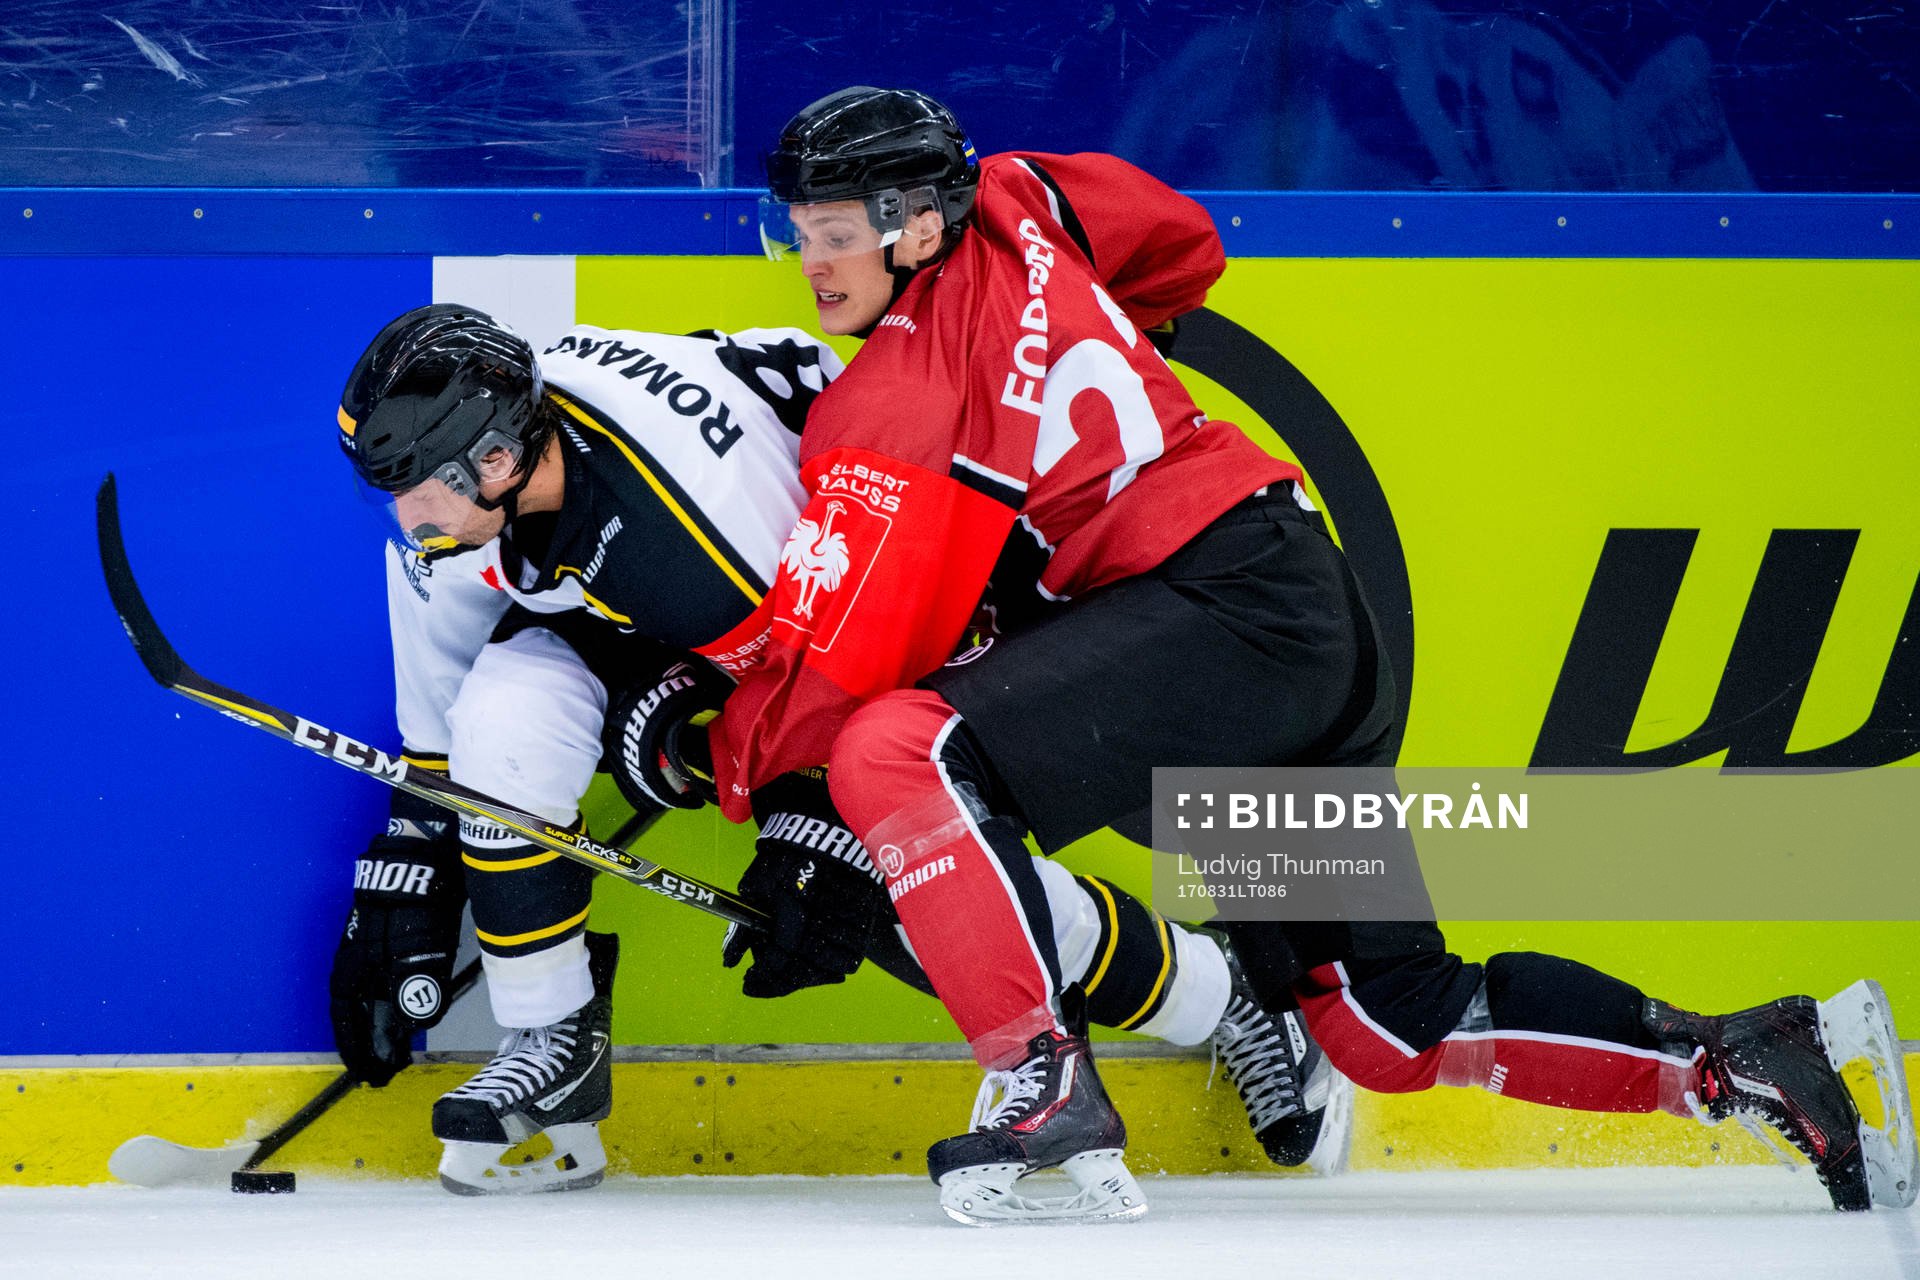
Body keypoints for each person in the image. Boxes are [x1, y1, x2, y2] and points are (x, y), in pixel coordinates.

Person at [684, 86, 1916, 1222]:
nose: (811, 260)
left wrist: (719, 760)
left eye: (837, 230)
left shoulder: (892, 403)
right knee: (1388, 1016)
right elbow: (1178, 242)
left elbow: (857, 658)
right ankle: (1752, 1055)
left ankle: (1040, 1081)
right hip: (1299, 604)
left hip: (1222, 623)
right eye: (796, 228)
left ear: (915, 222)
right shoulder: (1024, 197)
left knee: (899, 752)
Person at [328, 303, 1346, 1195]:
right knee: (505, 719)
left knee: (919, 886)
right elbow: (442, 738)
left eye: (418, 490)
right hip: (684, 609)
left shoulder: (698, 514)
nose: (404, 516)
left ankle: (1224, 992)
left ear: (497, 460)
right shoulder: (463, 500)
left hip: (863, 574)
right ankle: (553, 1033)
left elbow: (842, 656)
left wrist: (805, 819)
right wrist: (409, 881)